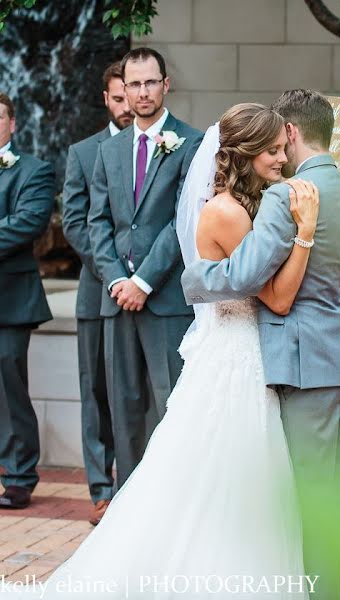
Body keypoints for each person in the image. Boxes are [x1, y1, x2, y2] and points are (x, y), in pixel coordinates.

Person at [4, 104, 340, 599]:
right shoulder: (228, 213)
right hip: (238, 355)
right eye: (274, 151)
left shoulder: (252, 205)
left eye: (284, 148)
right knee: (227, 472)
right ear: (245, 155)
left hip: (252, 351)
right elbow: (277, 296)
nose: (284, 159)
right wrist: (304, 233)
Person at [182, 89, 340, 600]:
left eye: (277, 141)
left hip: (304, 364)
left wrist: (195, 278)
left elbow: (247, 275)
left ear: (289, 133)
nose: (276, 154)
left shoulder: (284, 196)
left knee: (311, 502)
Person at [87, 47, 202, 486]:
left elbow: (182, 221)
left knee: (170, 404)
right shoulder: (110, 150)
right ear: (123, 89)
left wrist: (143, 280)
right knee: (124, 408)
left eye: (150, 82)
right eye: (133, 84)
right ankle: (127, 510)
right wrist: (118, 278)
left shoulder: (190, 143)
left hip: (166, 300)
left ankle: (172, 499)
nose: (142, 92)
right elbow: (98, 221)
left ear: (165, 84)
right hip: (116, 301)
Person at [61, 61, 133, 525]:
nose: (128, 106)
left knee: (135, 393)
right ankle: (101, 489)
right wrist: (113, 272)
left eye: (133, 96)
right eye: (119, 98)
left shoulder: (161, 147)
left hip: (149, 291)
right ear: (106, 100)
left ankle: (133, 486)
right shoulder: (84, 152)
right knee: (97, 393)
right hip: (98, 294)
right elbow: (73, 222)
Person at [0, 92, 54, 510]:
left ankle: (19, 476)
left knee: (9, 385)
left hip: (10, 301)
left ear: (12, 123)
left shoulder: (33, 170)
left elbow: (27, 224)